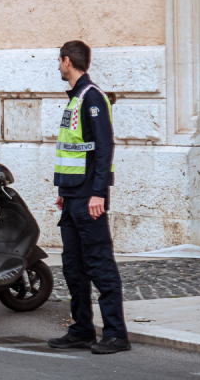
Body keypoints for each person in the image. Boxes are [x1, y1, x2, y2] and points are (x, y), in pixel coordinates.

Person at [47, 41, 129, 354]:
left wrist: (98, 193)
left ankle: (116, 334)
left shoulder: (92, 97)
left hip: (88, 199)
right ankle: (81, 329)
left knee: (99, 264)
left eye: (59, 60)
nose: (58, 66)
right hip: (72, 197)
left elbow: (104, 148)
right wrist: (63, 191)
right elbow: (75, 149)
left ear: (67, 60)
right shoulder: (76, 99)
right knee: (73, 266)